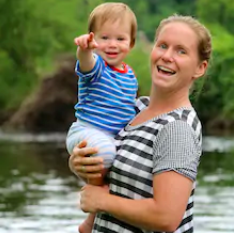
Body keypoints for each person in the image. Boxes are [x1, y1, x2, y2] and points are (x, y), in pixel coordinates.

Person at [69, 14, 212, 233]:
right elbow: (119, 176)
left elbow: (166, 217)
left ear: (199, 68)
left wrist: (102, 201)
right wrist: (79, 163)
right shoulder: (135, 109)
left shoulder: (176, 128)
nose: (167, 56)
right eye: (162, 45)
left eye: (181, 51)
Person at [65, 2, 138, 233]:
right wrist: (84, 50)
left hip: (112, 136)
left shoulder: (130, 76)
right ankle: (98, 198)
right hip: (87, 131)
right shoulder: (97, 68)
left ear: (131, 43)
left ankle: (91, 221)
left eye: (120, 39)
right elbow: (86, 63)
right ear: (93, 38)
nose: (112, 45)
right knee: (105, 154)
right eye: (104, 37)